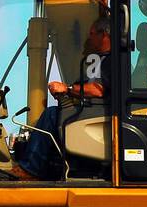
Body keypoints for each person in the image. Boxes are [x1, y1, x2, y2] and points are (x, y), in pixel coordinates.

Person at [12, 17, 110, 179]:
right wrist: (68, 92)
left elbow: (97, 90)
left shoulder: (111, 61)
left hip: (99, 115)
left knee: (51, 115)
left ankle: (31, 169)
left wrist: (67, 89)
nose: (89, 38)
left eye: (92, 34)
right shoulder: (99, 61)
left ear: (104, 34)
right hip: (92, 112)